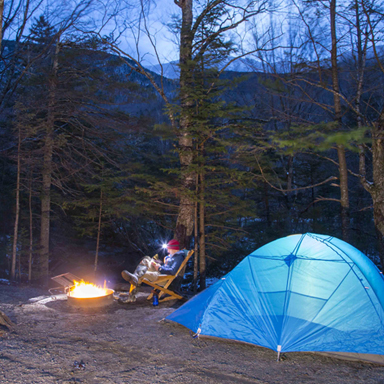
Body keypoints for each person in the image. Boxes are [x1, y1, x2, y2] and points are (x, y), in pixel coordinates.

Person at [119, 239, 186, 303]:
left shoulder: (178, 257)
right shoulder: (172, 256)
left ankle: (131, 295)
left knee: (142, 274)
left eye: (168, 249)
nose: (168, 251)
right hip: (161, 272)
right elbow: (167, 267)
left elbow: (172, 271)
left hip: (165, 277)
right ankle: (135, 277)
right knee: (146, 259)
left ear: (173, 249)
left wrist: (159, 268)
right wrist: (157, 264)